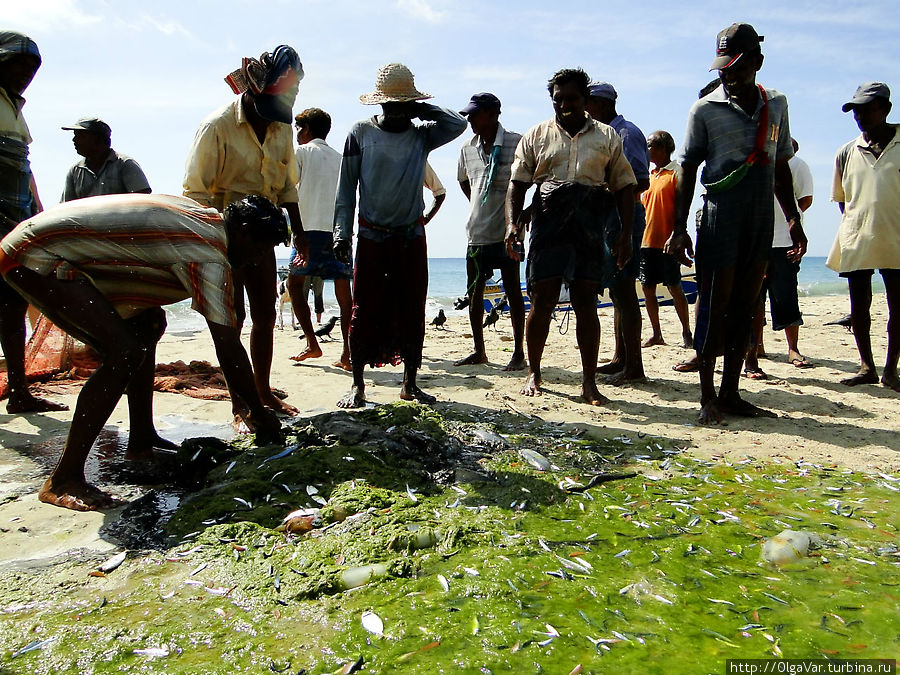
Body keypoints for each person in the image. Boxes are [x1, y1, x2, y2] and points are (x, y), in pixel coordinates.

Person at [0, 193, 285, 511]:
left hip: (44, 244)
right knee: (123, 352)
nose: (258, 259)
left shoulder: (206, 220)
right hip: (32, 255)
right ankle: (64, 478)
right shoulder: (209, 252)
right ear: (244, 231)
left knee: (148, 323)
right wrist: (259, 415)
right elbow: (228, 346)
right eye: (260, 247)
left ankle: (141, 439)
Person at [665, 23, 806, 424]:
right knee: (715, 302)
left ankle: (731, 393)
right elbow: (687, 169)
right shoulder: (704, 108)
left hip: (760, 216)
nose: (729, 75)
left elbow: (779, 165)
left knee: (746, 306)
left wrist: (793, 218)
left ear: (757, 63)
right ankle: (707, 395)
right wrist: (678, 228)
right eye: (723, 68)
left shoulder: (776, 103)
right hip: (719, 215)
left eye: (738, 68)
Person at [183, 45, 306, 424]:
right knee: (229, 320)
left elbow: (287, 188)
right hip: (223, 237)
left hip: (264, 235)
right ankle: (240, 403)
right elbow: (194, 191)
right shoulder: (217, 126)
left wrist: (299, 235)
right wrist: (214, 239)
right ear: (251, 92)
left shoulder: (283, 127)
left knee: (266, 314)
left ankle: (263, 390)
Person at [333, 63, 466, 407]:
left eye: (403, 105)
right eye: (392, 105)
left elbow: (458, 124)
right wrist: (340, 236)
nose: (397, 113)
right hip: (372, 237)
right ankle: (358, 384)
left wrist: (422, 108)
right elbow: (346, 190)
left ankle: (410, 382)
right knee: (365, 308)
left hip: (410, 237)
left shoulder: (422, 135)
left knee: (412, 308)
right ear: (380, 105)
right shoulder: (360, 132)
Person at [506, 68, 636, 405]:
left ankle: (589, 382)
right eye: (558, 99)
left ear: (585, 101)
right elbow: (518, 183)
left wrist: (625, 233)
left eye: (572, 99)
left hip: (590, 222)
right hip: (549, 221)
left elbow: (624, 185)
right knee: (543, 299)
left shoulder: (607, 136)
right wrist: (512, 225)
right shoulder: (536, 135)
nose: (564, 105)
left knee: (586, 303)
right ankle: (534, 371)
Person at [0, 30, 66, 413]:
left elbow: (24, 168)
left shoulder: (14, 107)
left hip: (16, 216)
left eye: (32, 68)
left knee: (12, 302)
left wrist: (37, 212)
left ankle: (19, 391)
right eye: (18, 64)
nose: (26, 73)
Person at [827, 82, 900, 392]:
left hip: (896, 237)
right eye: (855, 110)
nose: (859, 116)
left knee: (898, 307)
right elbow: (843, 199)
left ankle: (891, 370)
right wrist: (856, 222)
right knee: (860, 306)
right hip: (857, 236)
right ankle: (866, 366)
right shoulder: (846, 151)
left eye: (866, 109)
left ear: (884, 109)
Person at [454, 92, 525, 370]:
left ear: (493, 114)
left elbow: (528, 182)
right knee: (475, 292)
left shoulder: (516, 143)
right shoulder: (467, 148)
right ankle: (479, 350)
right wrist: (480, 204)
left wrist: (518, 217)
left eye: (475, 113)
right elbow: (465, 182)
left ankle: (518, 352)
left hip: (507, 234)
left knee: (513, 291)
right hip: (477, 233)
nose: (470, 119)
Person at [585, 82, 649, 384]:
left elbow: (639, 181)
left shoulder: (626, 133)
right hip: (608, 217)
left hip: (624, 217)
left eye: (589, 103)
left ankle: (634, 367)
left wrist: (602, 193)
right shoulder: (602, 133)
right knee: (616, 290)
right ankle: (620, 358)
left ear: (601, 104)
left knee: (624, 291)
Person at [285, 107, 352, 370]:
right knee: (343, 289)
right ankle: (347, 352)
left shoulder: (302, 153)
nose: (297, 134)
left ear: (307, 129)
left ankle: (313, 343)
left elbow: (288, 188)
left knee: (294, 284)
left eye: (298, 128)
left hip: (309, 228)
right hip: (338, 230)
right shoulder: (340, 158)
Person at [744, 137, 813, 378]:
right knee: (754, 299)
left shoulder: (798, 166)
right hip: (757, 241)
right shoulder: (755, 163)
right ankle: (756, 347)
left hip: (785, 243)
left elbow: (805, 200)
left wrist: (790, 224)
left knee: (786, 295)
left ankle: (793, 349)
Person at [639, 130, 693, 348]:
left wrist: (678, 234)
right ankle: (656, 333)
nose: (646, 149)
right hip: (645, 241)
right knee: (647, 288)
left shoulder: (676, 173)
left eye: (650, 145)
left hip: (667, 241)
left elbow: (682, 205)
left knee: (674, 286)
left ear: (662, 148)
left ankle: (686, 332)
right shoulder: (649, 175)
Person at [60, 117, 151, 201]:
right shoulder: (75, 171)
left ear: (98, 139)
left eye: (81, 136)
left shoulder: (124, 164)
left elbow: (143, 201)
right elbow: (66, 207)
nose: (74, 140)